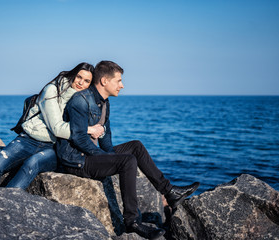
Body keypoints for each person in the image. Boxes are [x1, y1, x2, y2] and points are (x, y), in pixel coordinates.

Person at [56, 60, 200, 239]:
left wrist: (109, 156)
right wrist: (107, 158)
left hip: (92, 155)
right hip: (77, 160)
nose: (122, 85)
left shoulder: (104, 103)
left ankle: (169, 192)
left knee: (136, 147)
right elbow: (78, 138)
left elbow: (105, 139)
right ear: (104, 81)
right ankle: (132, 222)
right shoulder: (80, 100)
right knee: (127, 161)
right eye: (118, 81)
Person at [0, 62, 104, 190]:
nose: (81, 83)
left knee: (31, 164)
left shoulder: (84, 99)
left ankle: (5, 202)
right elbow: (57, 128)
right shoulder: (52, 90)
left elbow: (98, 120)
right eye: (79, 77)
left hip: (55, 147)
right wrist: (88, 130)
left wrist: (101, 130)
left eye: (87, 81)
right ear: (72, 75)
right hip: (29, 140)